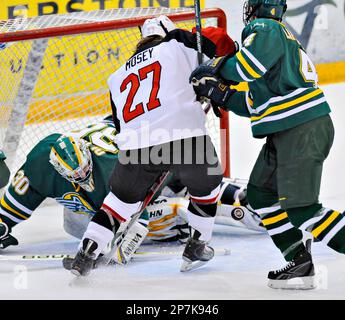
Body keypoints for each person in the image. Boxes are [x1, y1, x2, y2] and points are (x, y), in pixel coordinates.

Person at [66, 15, 240, 276]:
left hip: (137, 145)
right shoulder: (177, 43)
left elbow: (119, 122)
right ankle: (197, 244)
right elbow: (220, 43)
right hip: (184, 135)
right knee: (207, 187)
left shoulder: (117, 76)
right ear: (168, 32)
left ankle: (85, 253)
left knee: (119, 202)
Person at [189, 0, 343, 289]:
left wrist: (216, 67)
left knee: (303, 209)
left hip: (300, 130)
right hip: (288, 130)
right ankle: (299, 260)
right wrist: (220, 94)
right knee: (260, 195)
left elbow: (246, 67)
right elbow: (254, 103)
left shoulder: (265, 27)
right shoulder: (278, 44)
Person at [0, 116, 263, 253]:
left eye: (85, 171)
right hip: (158, 153)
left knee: (174, 210)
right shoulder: (41, 161)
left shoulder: (110, 167)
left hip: (148, 167)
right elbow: (19, 196)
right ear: (57, 168)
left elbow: (138, 221)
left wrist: (116, 252)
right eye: (77, 176)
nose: (84, 177)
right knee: (75, 223)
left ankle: (187, 217)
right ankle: (221, 200)